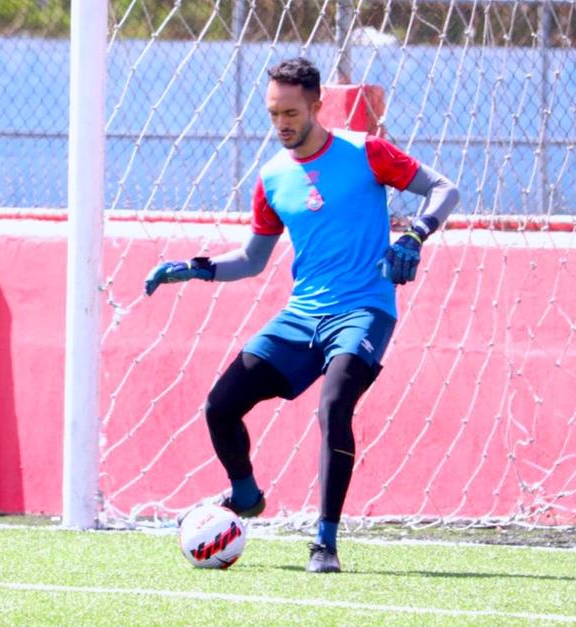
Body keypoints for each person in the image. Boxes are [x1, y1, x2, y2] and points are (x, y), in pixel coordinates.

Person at [144, 57, 459, 573]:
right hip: (302, 317)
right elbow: (251, 259)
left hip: (363, 311)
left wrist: (416, 233)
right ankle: (245, 496)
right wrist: (193, 268)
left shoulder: (365, 152)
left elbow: (446, 188)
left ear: (315, 105)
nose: (282, 124)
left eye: (291, 112)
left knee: (334, 407)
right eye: (273, 114)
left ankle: (325, 542)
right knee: (220, 407)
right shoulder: (271, 178)